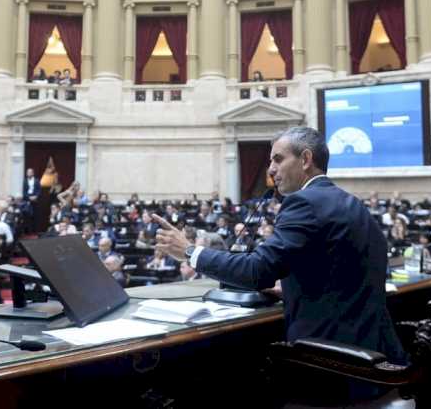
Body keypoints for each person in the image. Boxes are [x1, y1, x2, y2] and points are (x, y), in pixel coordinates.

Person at [155, 127, 404, 371]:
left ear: (305, 159)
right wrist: (293, 288)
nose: (271, 169)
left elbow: (256, 271)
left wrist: (190, 251)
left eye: (278, 159)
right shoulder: (351, 203)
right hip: (375, 354)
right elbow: (342, 275)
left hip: (331, 364)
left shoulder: (304, 202)